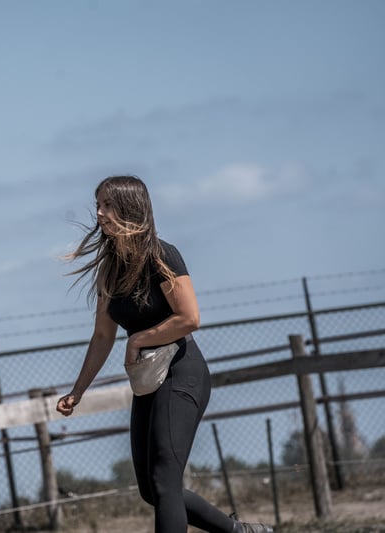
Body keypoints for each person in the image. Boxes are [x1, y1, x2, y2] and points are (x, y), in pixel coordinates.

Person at [56, 176, 273, 533]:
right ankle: (240, 532)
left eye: (108, 205)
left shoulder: (161, 254)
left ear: (130, 208)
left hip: (180, 372)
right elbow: (102, 335)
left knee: (164, 481)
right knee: (151, 489)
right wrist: (77, 391)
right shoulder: (110, 269)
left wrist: (138, 340)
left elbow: (189, 318)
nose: (100, 213)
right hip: (149, 380)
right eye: (98, 205)